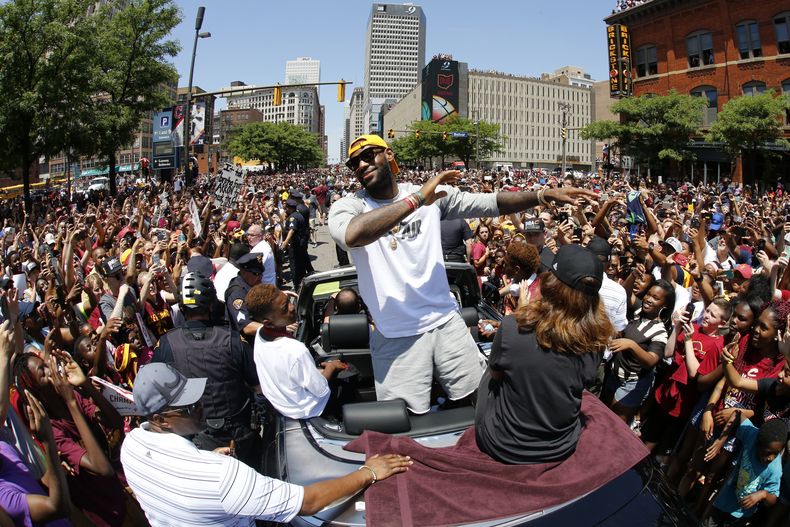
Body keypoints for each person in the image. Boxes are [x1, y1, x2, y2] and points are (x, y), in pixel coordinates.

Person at [329, 134, 596, 414]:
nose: (360, 164)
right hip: (395, 334)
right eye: (353, 162)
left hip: (446, 322)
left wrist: (540, 195)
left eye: (368, 155)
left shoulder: (432, 196)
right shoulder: (352, 206)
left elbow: (491, 202)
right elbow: (352, 235)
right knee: (402, 419)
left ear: (389, 155)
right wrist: (418, 199)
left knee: (480, 400)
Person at [121, 363, 412, 526]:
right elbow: (308, 502)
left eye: (196, 399)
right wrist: (369, 472)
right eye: (188, 407)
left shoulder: (131, 447)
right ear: (160, 419)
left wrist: (203, 458)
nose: (200, 408)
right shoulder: (220, 476)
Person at [475, 244, 614, 463]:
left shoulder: (513, 326)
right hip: (559, 446)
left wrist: (521, 316)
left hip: (502, 443)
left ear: (551, 283)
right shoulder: (596, 341)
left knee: (488, 377)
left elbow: (497, 375)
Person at [152, 272, 262, 468]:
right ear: (211, 305)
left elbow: (157, 393)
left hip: (196, 439)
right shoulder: (233, 339)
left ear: (182, 308)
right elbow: (258, 386)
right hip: (240, 433)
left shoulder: (166, 343)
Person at [246, 284, 348, 419]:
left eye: (288, 301)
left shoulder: (260, 334)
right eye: (284, 309)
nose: (292, 307)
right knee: (348, 376)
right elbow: (321, 390)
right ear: (269, 323)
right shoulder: (295, 350)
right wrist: (332, 366)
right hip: (310, 409)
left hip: (284, 405)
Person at [603, 279, 676, 424]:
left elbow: (651, 360)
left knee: (615, 424)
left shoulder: (659, 331)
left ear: (665, 305)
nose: (648, 299)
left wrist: (631, 345)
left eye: (655, 298)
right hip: (613, 375)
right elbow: (627, 293)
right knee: (601, 414)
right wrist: (633, 275)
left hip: (631, 384)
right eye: (648, 294)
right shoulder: (638, 311)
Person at [703, 418, 786, 526]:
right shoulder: (752, 435)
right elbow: (738, 414)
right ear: (757, 444)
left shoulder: (775, 469)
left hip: (741, 514)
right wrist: (721, 440)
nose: (771, 458)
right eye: (768, 453)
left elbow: (773, 498)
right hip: (724, 500)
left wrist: (763, 494)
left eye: (776, 453)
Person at [225, 252, 266, 339]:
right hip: (246, 345)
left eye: (261, 273)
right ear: (244, 271)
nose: (260, 277)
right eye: (256, 274)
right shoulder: (237, 293)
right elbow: (247, 327)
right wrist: (276, 329)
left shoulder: (250, 285)